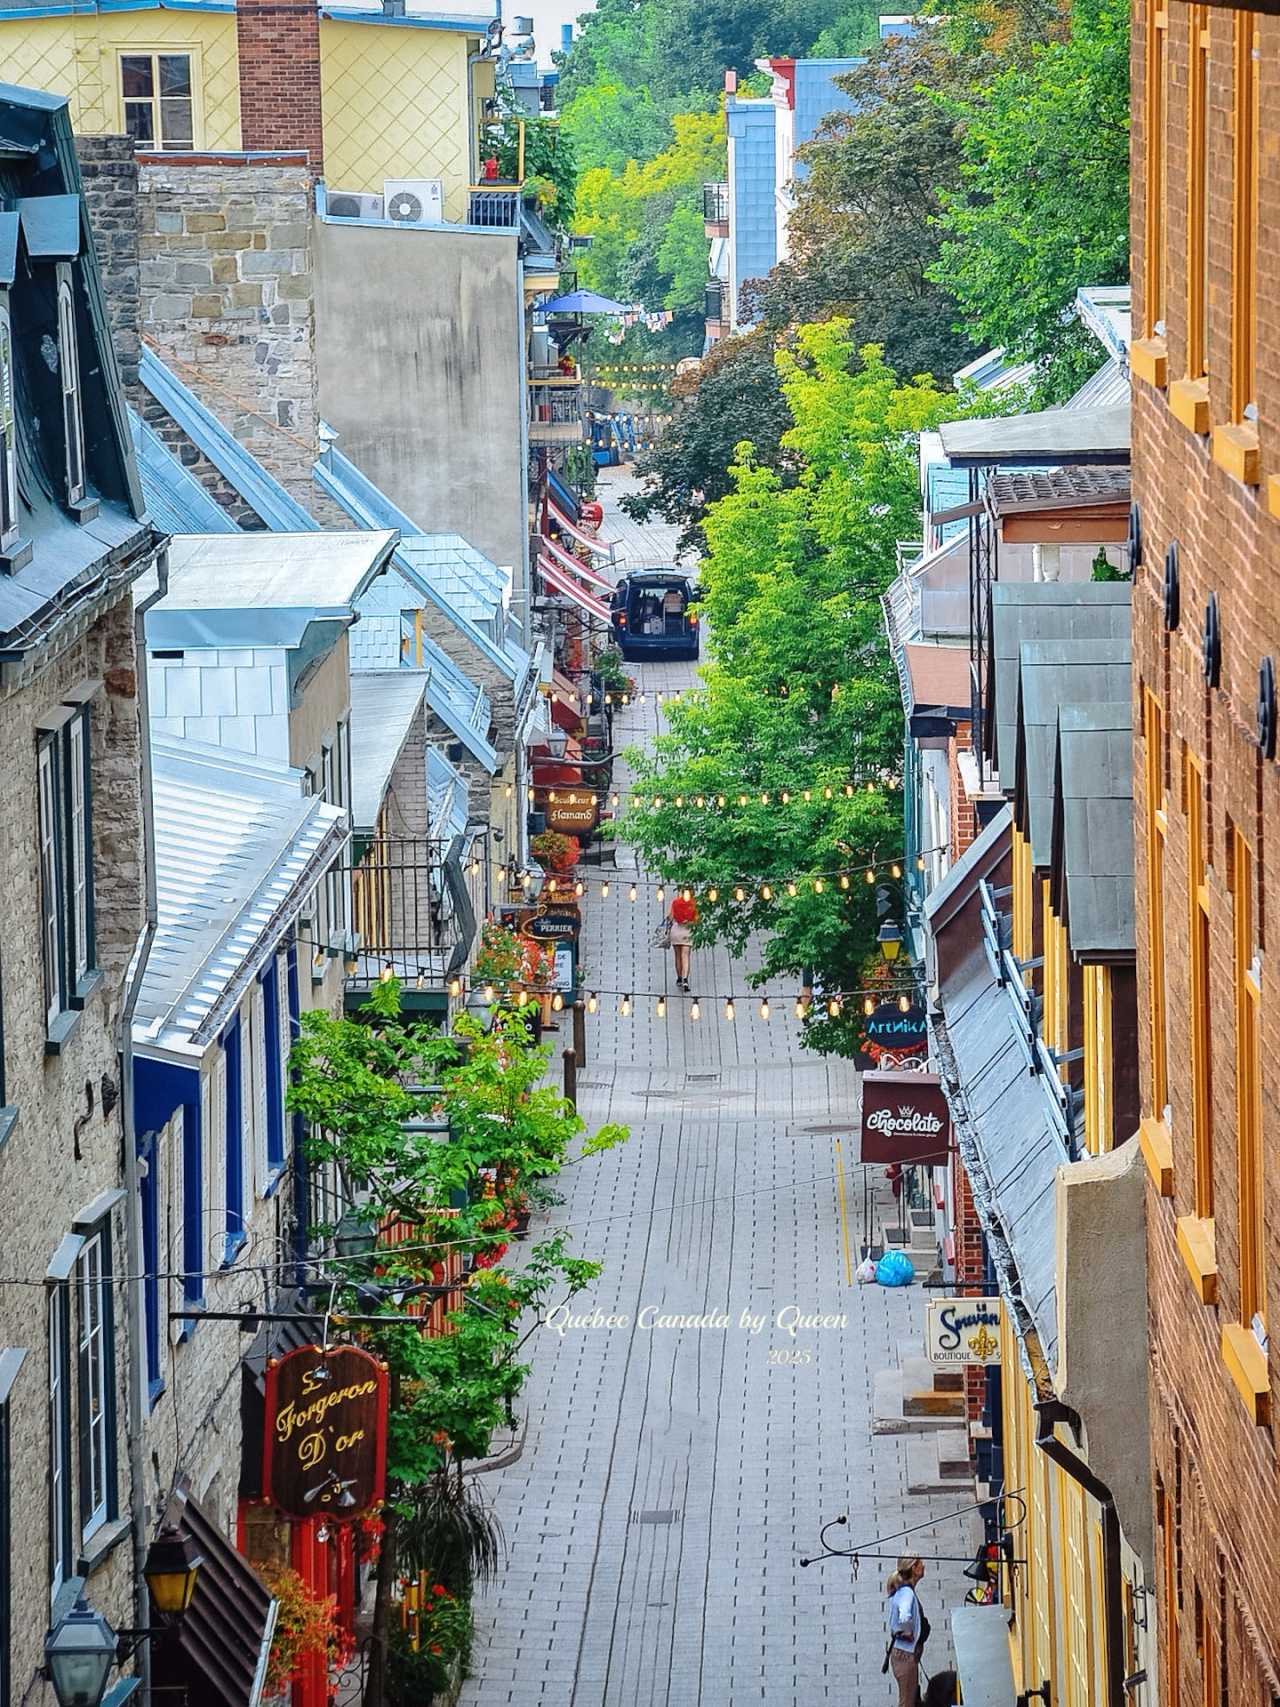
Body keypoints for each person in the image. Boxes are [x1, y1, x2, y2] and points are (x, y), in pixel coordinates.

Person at [884, 1556, 928, 1707]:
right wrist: (907, 1632)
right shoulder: (906, 1593)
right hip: (905, 1655)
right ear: (914, 1568)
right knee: (907, 1702)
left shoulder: (905, 1591)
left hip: (905, 1654)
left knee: (910, 1699)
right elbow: (904, 1616)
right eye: (920, 1563)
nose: (924, 1565)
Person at [669, 891, 697, 991]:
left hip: (676, 931)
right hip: (688, 931)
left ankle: (679, 978)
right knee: (685, 956)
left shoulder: (675, 902)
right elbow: (697, 919)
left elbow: (670, 917)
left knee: (677, 956)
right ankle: (685, 980)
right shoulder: (694, 903)